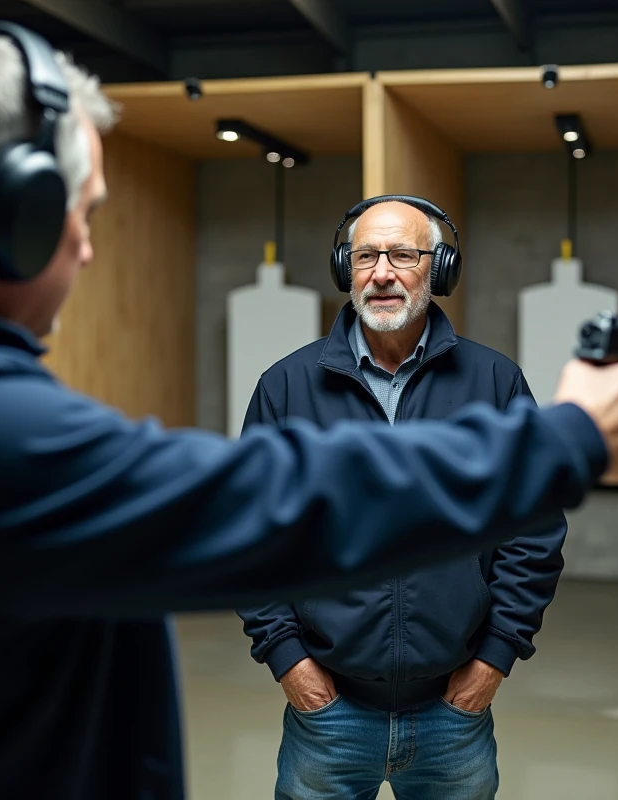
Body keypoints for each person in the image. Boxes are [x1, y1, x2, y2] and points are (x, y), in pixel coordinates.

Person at [0, 19, 618, 800]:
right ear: (10, 214)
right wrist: (570, 437)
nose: (83, 249)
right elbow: (266, 502)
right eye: (82, 214)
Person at [237, 195, 566, 800]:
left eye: (404, 255)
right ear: (345, 268)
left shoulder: (494, 384)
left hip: (453, 714)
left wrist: (492, 662)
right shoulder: (285, 387)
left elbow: (534, 530)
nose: (382, 272)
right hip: (326, 716)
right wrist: (289, 661)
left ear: (438, 269)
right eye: (366, 255)